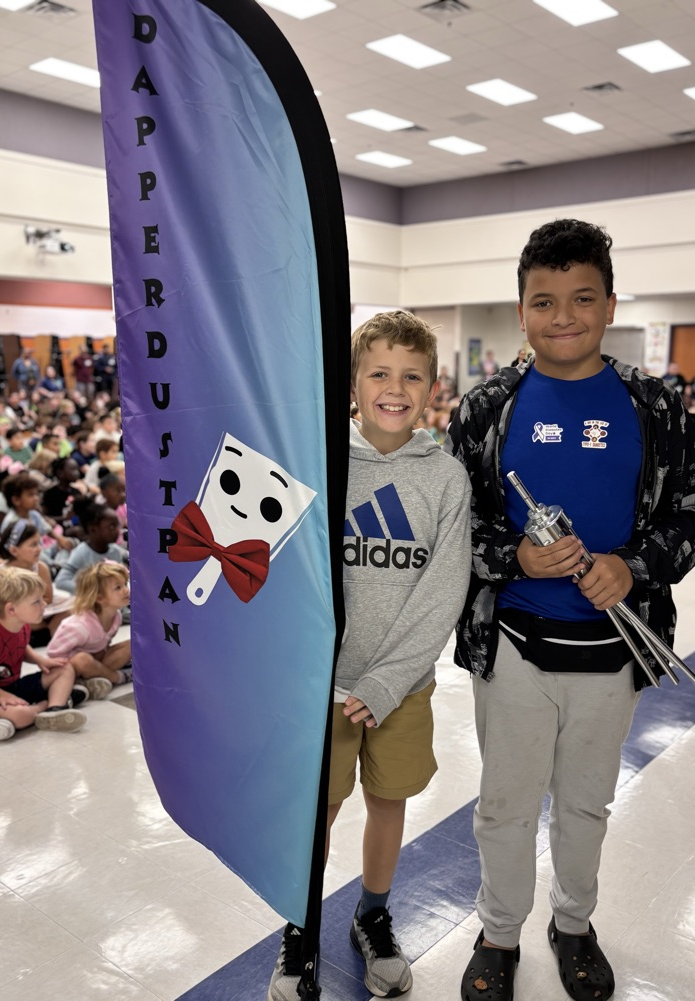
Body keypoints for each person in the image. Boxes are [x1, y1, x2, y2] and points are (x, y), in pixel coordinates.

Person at [446, 219, 695, 1001]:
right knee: (505, 806)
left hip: (611, 652)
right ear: (521, 310)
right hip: (514, 643)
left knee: (587, 804)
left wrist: (634, 566)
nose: (564, 316)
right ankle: (498, 932)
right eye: (544, 301)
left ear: (611, 304)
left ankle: (573, 923)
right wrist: (515, 558)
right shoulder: (487, 408)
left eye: (583, 298)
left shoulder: (655, 404)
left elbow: (690, 512)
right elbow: (453, 526)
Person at [268, 310, 471, 1001]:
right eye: (379, 373)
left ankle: (373, 914)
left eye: (412, 376)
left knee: (389, 802)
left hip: (403, 689)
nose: (395, 388)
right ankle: (300, 925)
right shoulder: (318, 464)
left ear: (432, 387)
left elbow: (443, 591)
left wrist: (387, 680)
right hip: (321, 689)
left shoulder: (446, 479)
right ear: (352, 383)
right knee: (316, 817)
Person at [0, 566, 87, 733]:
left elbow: (22, 646)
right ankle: (47, 704)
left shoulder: (23, 625)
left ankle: (55, 709)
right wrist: (0, 695)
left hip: (14, 686)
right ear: (11, 609)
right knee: (21, 716)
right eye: (36, 602)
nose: (44, 604)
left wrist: (40, 660)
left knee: (64, 668)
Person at [47, 561, 131, 700]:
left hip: (96, 661)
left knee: (131, 645)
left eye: (124, 584)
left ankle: (91, 681)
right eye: (118, 587)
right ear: (99, 598)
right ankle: (119, 677)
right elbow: (53, 654)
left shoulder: (116, 617)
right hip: (70, 668)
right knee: (83, 659)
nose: (126, 590)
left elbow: (104, 645)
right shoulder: (79, 626)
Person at [0, 520, 73, 640]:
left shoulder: (41, 568)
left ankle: (46, 632)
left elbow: (48, 598)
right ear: (14, 550)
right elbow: (4, 603)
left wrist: (37, 607)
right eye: (33, 545)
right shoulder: (4, 573)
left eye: (39, 543)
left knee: (75, 608)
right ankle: (45, 633)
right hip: (20, 612)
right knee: (12, 619)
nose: (39, 549)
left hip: (44, 608)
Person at [54, 499, 127, 594]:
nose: (117, 531)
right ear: (93, 530)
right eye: (111, 527)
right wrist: (93, 591)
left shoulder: (117, 551)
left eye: (118, 526)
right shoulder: (81, 552)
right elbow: (61, 581)